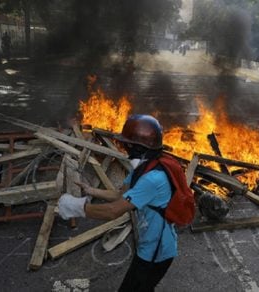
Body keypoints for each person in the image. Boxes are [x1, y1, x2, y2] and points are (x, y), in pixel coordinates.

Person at [58, 114, 177, 292]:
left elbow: (114, 211)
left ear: (137, 147)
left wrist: (76, 207)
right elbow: (120, 195)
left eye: (127, 145)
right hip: (148, 242)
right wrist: (91, 191)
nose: (124, 148)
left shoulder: (152, 178)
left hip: (157, 252)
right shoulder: (143, 167)